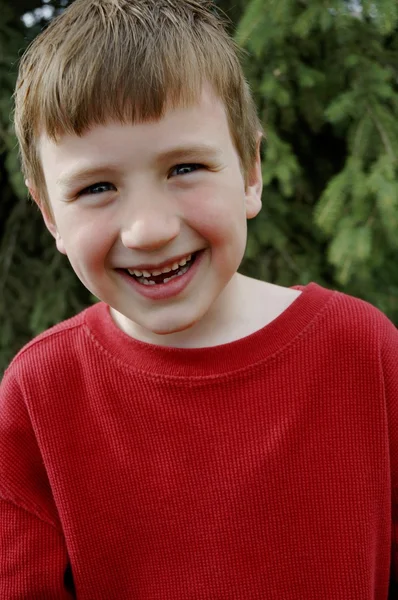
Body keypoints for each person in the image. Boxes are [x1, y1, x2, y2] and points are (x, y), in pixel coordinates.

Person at [1, 0, 397, 597]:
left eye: (185, 167)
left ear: (251, 172)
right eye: (96, 187)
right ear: (49, 214)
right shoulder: (40, 392)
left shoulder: (363, 351)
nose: (149, 229)